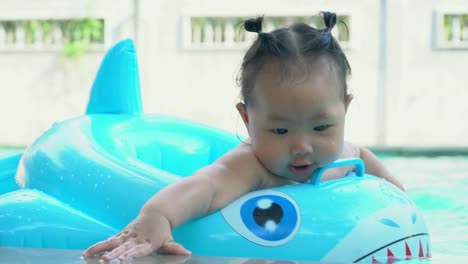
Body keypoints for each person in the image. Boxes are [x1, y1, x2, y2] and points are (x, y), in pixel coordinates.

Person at [82, 12, 404, 261]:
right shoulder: (251, 167)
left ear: (345, 110)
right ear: (247, 119)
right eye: (280, 130)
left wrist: (400, 197)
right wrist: (158, 215)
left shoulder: (345, 155)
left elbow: (364, 157)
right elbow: (205, 186)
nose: (303, 147)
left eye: (321, 128)